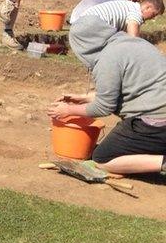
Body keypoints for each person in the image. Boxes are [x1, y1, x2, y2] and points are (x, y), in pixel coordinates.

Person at [49, 18, 166, 175]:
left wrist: (68, 110)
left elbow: (104, 107)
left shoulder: (107, 59)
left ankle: (162, 163)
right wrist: (85, 98)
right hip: (160, 114)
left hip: (156, 122)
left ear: (85, 45)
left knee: (102, 158)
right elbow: (129, 89)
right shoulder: (133, 43)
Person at [71, 0, 163, 38]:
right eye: (154, 14)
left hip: (81, 23)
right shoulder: (136, 12)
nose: (153, 18)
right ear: (147, 7)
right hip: (91, 23)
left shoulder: (129, 6)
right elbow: (133, 36)